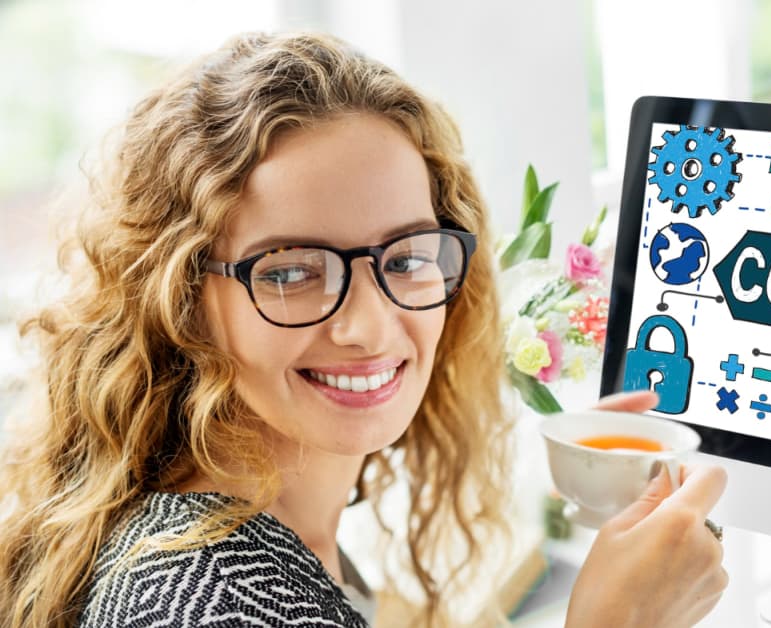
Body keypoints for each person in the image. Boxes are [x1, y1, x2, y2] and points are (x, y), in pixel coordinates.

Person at [0, 31, 727, 627]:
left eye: (407, 256)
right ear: (180, 297)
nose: (370, 326)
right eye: (289, 271)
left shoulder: (267, 528)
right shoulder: (208, 601)